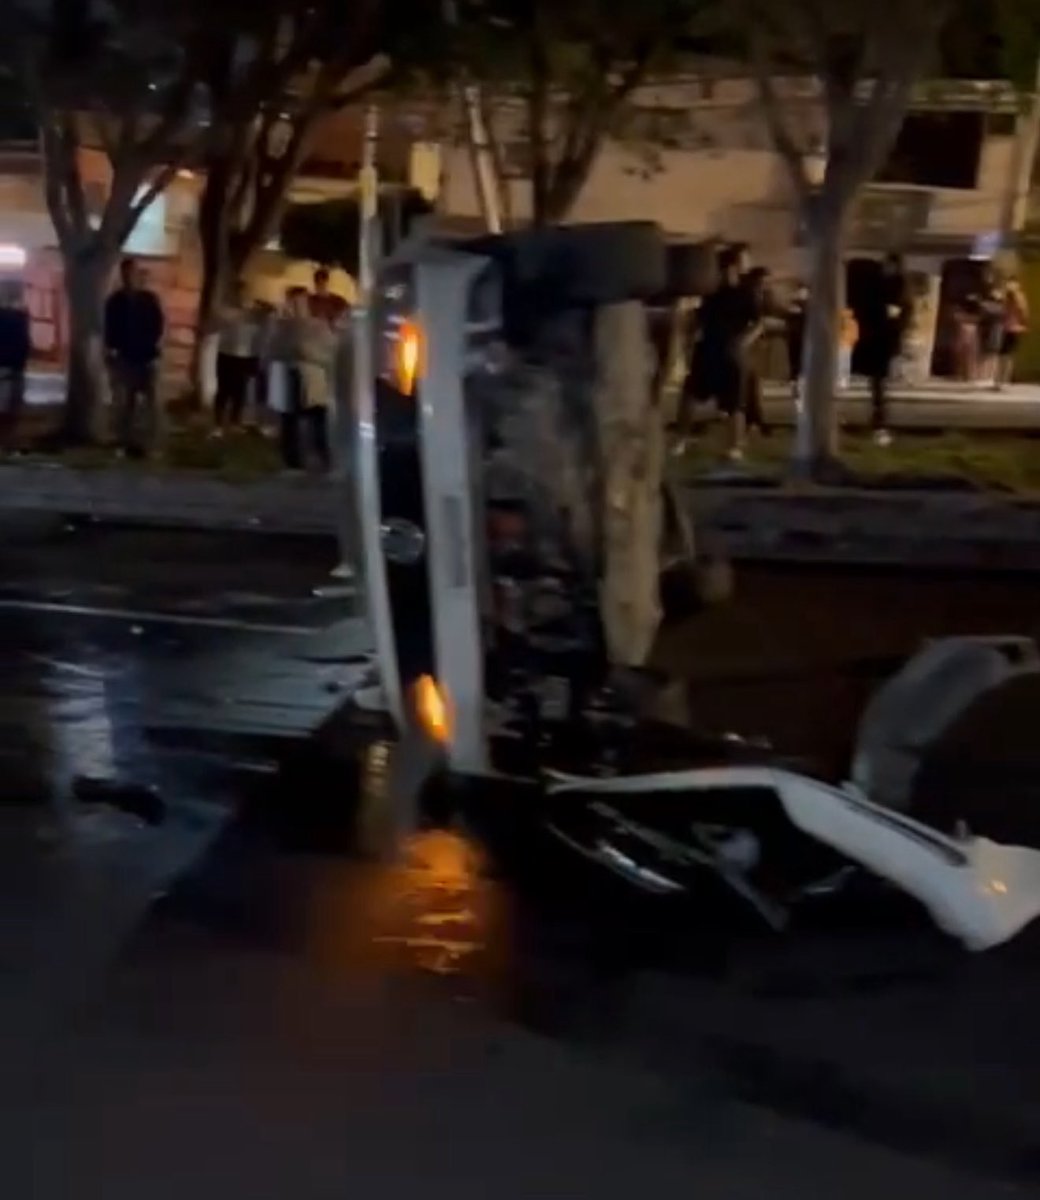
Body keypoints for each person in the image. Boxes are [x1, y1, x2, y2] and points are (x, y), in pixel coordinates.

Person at [695, 245, 762, 461]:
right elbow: (701, 319)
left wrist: (745, 340)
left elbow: (759, 322)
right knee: (695, 391)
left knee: (735, 400)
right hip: (711, 347)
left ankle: (735, 445)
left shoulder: (745, 292)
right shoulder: (712, 293)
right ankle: (683, 438)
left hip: (734, 350)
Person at [104, 258, 165, 457]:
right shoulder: (115, 301)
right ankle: (124, 443)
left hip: (147, 357)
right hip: (124, 358)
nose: (130, 277)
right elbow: (108, 328)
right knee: (124, 403)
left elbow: (159, 325)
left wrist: (156, 350)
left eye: (134, 273)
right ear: (122, 275)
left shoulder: (149, 299)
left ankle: (152, 445)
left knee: (153, 403)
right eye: (127, 273)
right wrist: (111, 351)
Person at [273, 288, 334, 471]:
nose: (295, 307)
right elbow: (277, 349)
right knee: (290, 420)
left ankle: (322, 456)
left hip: (313, 378)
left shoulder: (318, 326)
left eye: (299, 303)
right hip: (291, 374)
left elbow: (330, 353)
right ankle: (293, 459)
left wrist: (308, 353)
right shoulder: (285, 326)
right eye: (293, 303)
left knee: (317, 418)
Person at [858, 253, 910, 447]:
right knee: (877, 381)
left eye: (890, 265)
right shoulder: (880, 285)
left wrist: (894, 317)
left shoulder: (898, 286)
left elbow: (901, 311)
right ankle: (878, 418)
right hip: (878, 337)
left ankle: (880, 420)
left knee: (879, 380)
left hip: (886, 337)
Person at [211, 281, 259, 438]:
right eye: (240, 293)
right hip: (226, 354)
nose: (243, 297)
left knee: (240, 391)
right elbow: (219, 322)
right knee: (223, 390)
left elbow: (258, 328)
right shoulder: (227, 311)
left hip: (244, 356)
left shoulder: (252, 313)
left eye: (245, 294)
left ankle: (234, 422)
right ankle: (218, 424)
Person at [0, 280, 31, 454]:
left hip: (13, 366)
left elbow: (24, 342)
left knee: (10, 408)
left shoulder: (20, 316)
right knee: (9, 408)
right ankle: (7, 442)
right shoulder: (18, 316)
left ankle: (8, 442)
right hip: (10, 366)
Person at [996, 275, 1029, 391]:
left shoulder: (1017, 297)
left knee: (1006, 355)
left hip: (1013, 328)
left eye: (1011, 283)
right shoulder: (1008, 297)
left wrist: (1023, 324)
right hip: (1008, 328)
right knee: (1004, 355)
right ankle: (1001, 380)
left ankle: (1003, 381)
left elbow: (1023, 312)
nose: (1009, 285)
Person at [974, 265, 1005, 388]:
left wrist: (983, 305)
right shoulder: (985, 290)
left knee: (992, 351)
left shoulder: (998, 292)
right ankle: (982, 376)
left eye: (989, 275)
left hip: (995, 325)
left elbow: (1000, 309)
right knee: (984, 350)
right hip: (986, 324)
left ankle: (989, 377)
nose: (987, 278)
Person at [785, 281, 808, 400]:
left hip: (796, 336)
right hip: (803, 337)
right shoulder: (810, 300)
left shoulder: (793, 301)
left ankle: (796, 389)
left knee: (796, 365)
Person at [838, 306, 858, 391]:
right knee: (840, 363)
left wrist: (851, 343)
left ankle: (844, 380)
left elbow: (855, 335)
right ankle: (840, 379)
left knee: (845, 363)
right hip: (840, 344)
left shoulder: (853, 323)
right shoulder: (838, 323)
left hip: (847, 344)